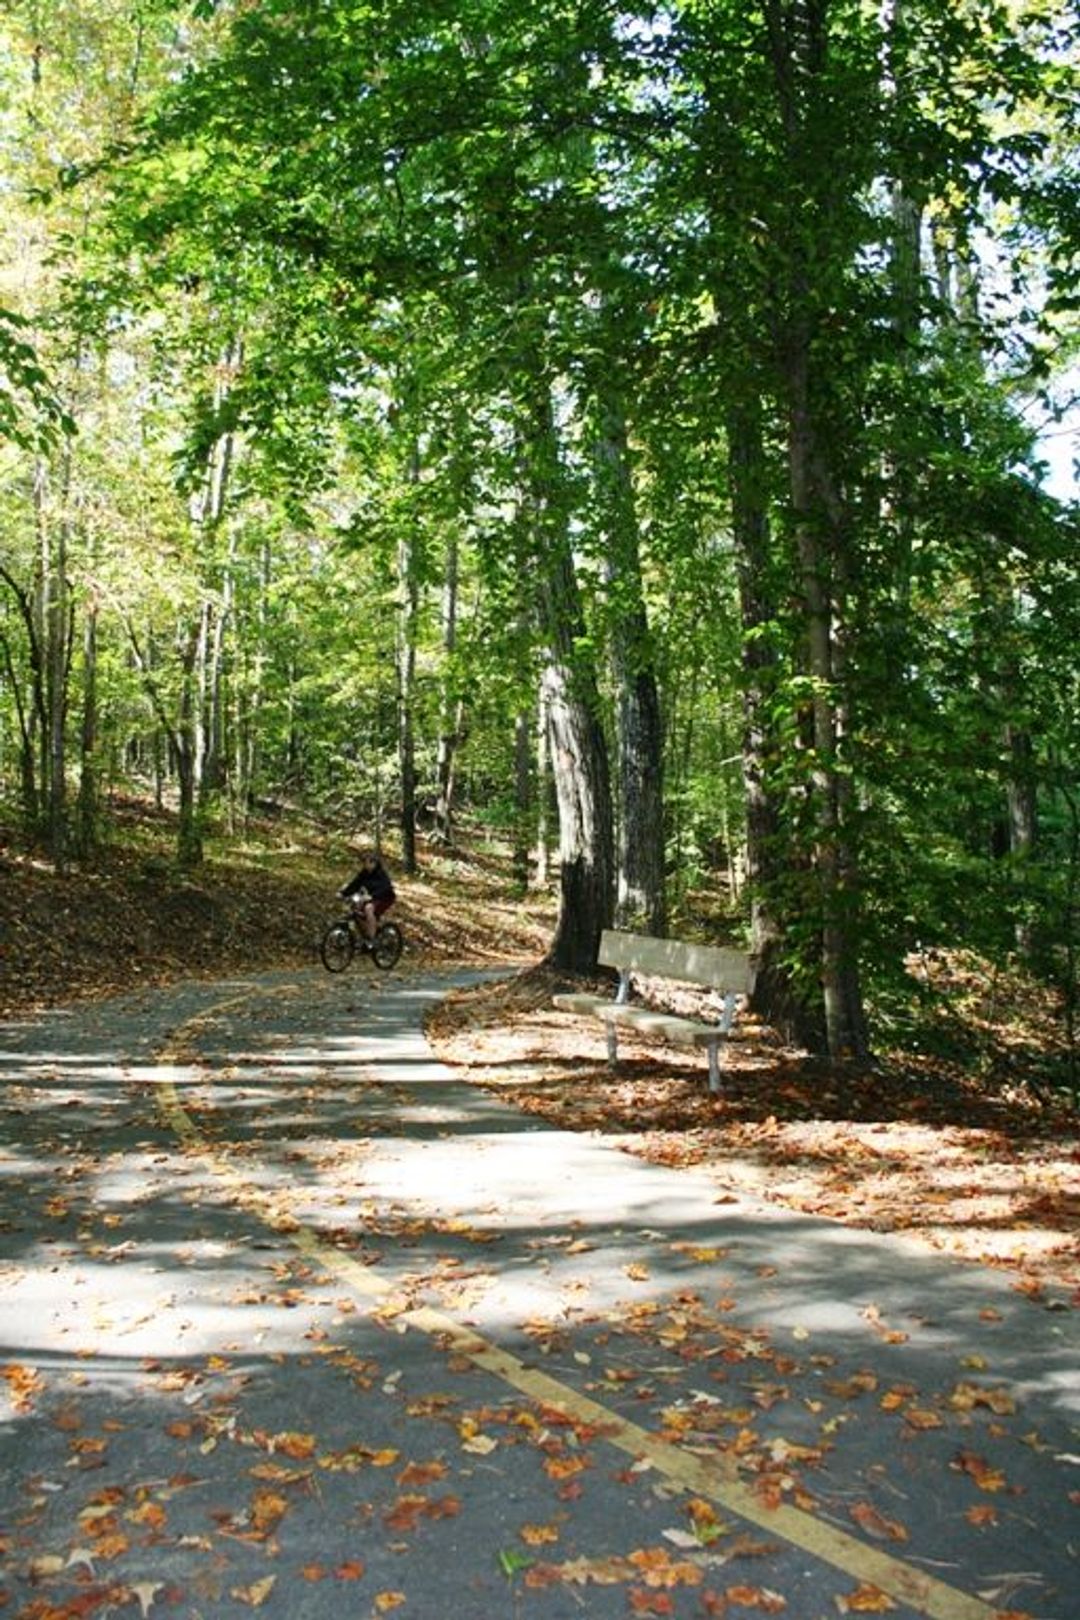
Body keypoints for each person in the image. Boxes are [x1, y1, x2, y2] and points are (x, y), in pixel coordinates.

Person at [338, 848, 396, 950]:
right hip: (371, 897)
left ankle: (371, 940)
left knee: (369, 908)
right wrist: (343, 893)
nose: (364, 865)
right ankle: (366, 934)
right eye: (363, 862)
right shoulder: (364, 873)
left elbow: (386, 888)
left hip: (385, 898)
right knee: (356, 908)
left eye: (367, 862)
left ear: (373, 862)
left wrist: (372, 896)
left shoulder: (381, 874)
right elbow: (355, 884)